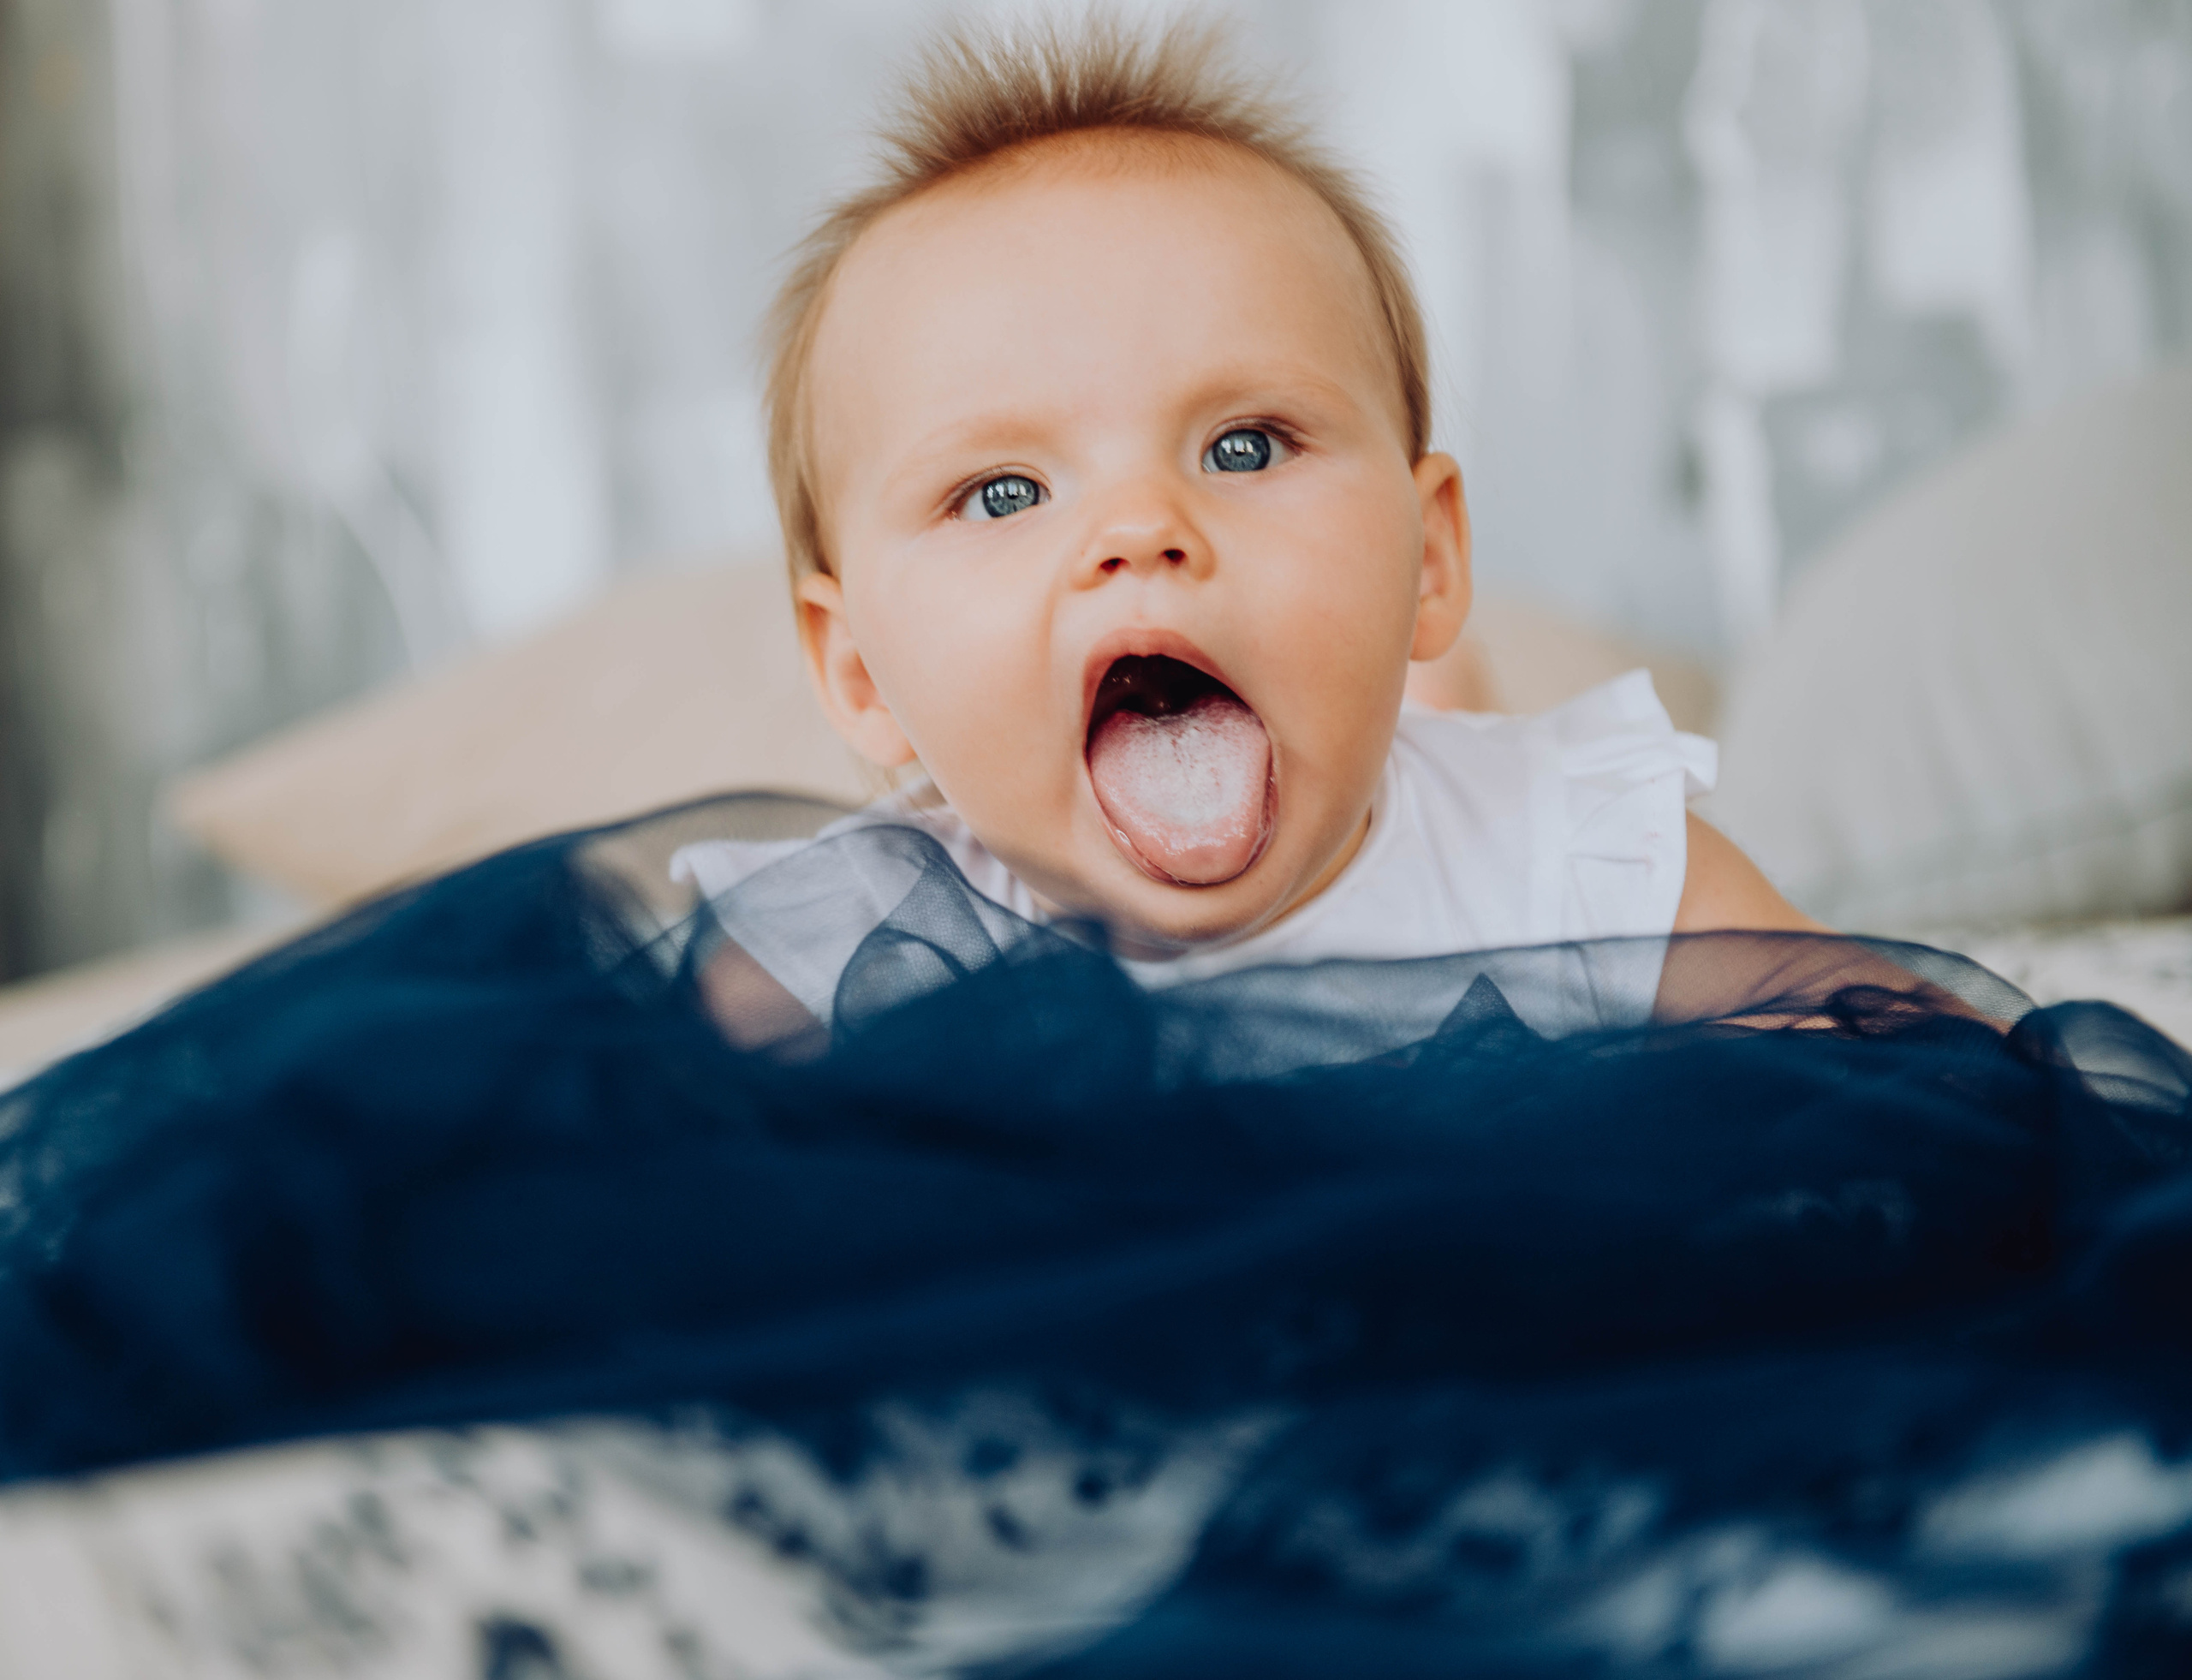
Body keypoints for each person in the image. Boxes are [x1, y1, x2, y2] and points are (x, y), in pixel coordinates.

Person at [673, 15, 1820, 1043]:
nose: (1138, 530)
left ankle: (1449, 699)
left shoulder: (1575, 857)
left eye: (1244, 447)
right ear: (859, 666)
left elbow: (1914, 1072)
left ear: (1429, 557)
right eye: (1005, 494)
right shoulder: (850, 950)